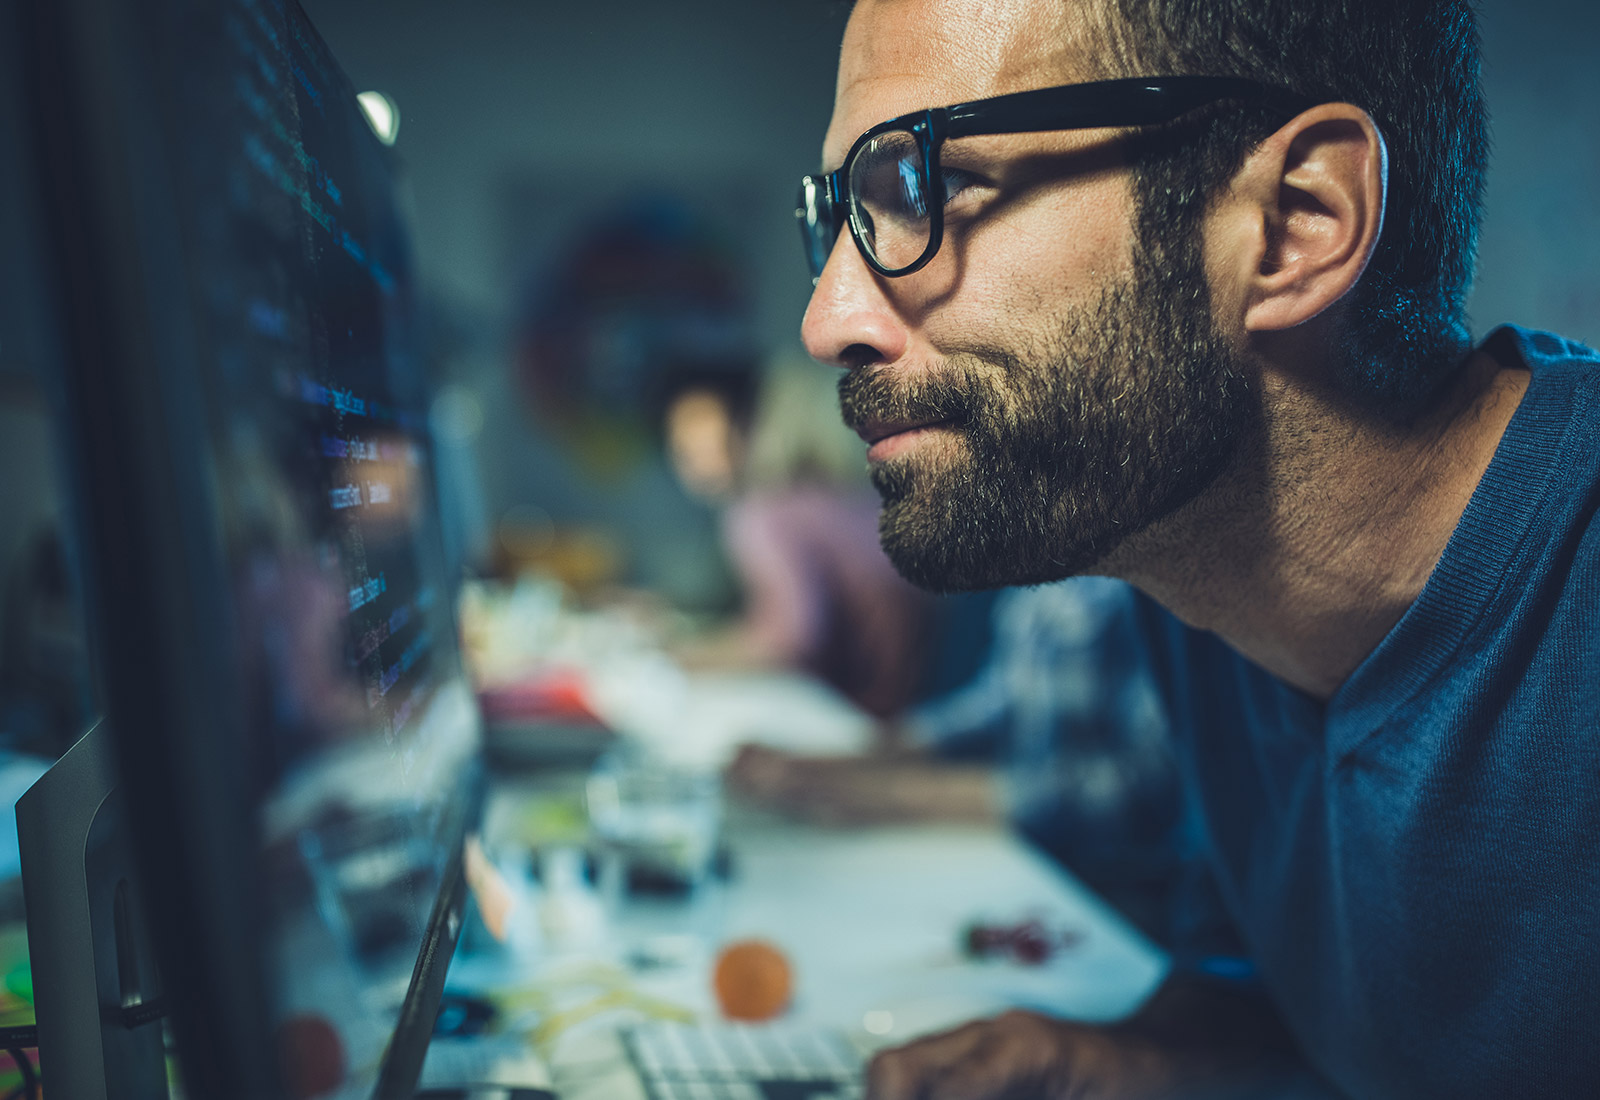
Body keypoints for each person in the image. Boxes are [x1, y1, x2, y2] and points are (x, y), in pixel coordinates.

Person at [795, 1, 1600, 1097]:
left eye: (926, 184)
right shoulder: (1200, 570)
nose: (827, 316)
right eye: (842, 214)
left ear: (1292, 223)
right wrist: (1143, 1057)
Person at [660, 360, 932, 718]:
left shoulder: (761, 513)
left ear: (744, 431)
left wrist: (679, 658)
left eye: (705, 444)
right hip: (920, 697)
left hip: (876, 717)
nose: (696, 465)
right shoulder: (830, 496)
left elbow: (793, 637)